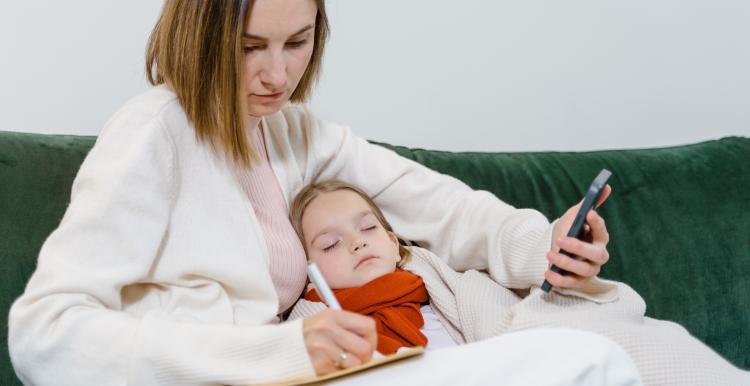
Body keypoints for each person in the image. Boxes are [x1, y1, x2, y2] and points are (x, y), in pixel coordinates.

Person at [7, 1, 644, 385]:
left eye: (298, 42)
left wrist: (544, 243)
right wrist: (277, 351)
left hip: (305, 376)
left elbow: (438, 206)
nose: (278, 74)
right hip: (252, 378)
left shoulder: (294, 134)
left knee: (589, 358)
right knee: (584, 365)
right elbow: (44, 334)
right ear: (198, 37)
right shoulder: (152, 137)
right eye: (249, 46)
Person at [288, 180, 750, 385]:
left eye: (368, 229)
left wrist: (560, 274)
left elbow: (521, 327)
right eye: (329, 245)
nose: (355, 244)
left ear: (393, 240)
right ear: (307, 269)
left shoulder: (444, 286)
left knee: (641, 342)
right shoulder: (312, 326)